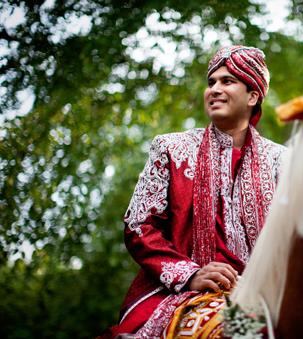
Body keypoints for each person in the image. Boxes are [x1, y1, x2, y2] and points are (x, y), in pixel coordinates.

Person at [101, 45, 286, 338]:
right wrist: (190, 274)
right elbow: (139, 224)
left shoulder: (282, 161)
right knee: (244, 331)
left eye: (227, 81)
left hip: (268, 293)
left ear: (253, 96)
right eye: (211, 82)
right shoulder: (171, 149)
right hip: (181, 293)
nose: (214, 89)